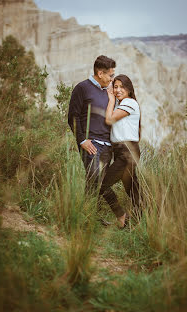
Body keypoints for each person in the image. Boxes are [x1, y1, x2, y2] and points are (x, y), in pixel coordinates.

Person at [68, 55, 120, 216]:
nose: (112, 79)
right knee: (96, 178)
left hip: (107, 146)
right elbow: (73, 116)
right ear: (100, 73)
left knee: (98, 183)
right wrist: (82, 140)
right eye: (110, 75)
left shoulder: (109, 93)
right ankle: (120, 214)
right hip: (90, 144)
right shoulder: (82, 88)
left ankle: (90, 217)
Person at [99, 74, 141, 228]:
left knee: (101, 185)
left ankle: (122, 218)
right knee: (132, 189)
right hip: (122, 151)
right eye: (115, 87)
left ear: (129, 89)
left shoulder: (129, 103)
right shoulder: (121, 104)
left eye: (121, 87)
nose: (117, 90)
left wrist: (110, 99)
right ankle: (138, 222)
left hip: (127, 152)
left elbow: (109, 120)